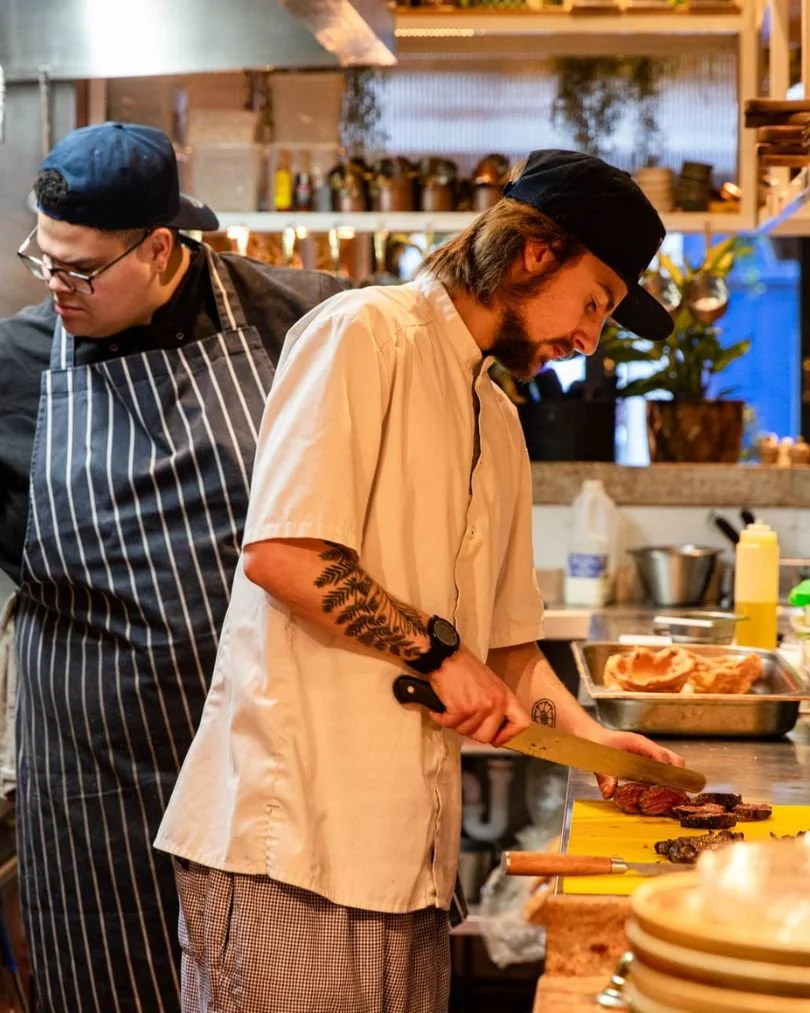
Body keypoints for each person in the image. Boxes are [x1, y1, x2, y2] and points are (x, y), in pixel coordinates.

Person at [155, 149, 684, 1013]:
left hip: (409, 866)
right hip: (293, 851)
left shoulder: (500, 419)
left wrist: (597, 750)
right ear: (534, 253)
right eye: (596, 302)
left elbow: (509, 653)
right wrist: (441, 658)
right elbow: (284, 553)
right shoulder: (362, 333)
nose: (591, 338)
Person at [0, 121, 347, 1013]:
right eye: (45, 258)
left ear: (160, 248)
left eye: (82, 270)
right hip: (94, 783)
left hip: (266, 766)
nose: (57, 287)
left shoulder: (306, 324)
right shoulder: (15, 367)